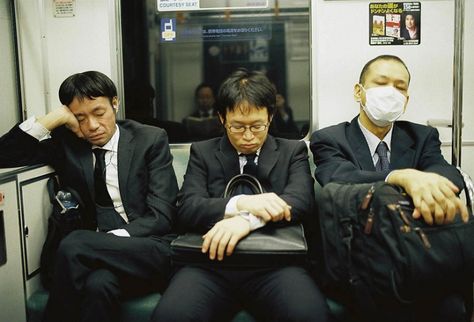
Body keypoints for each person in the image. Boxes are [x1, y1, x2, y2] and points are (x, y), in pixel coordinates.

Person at [152, 68, 329, 322]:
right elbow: (187, 208)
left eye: (257, 126)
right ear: (222, 118)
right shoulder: (203, 152)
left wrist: (245, 220)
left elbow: (301, 201)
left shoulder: (293, 151)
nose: (248, 136)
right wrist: (242, 202)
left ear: (270, 116)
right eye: (237, 127)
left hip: (276, 263)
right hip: (209, 264)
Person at [0, 71, 178, 322]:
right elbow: (4, 155)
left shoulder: (149, 139)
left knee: (75, 243)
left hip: (148, 247)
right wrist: (55, 118)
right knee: (98, 286)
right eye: (80, 117)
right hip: (93, 260)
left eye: (99, 113)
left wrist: (105, 241)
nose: (92, 126)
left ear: (114, 103)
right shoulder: (69, 144)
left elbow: (162, 215)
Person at [310, 55, 470, 322]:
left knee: (452, 307)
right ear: (358, 92)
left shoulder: (422, 137)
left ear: (406, 99)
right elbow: (337, 178)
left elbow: (445, 173)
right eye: (382, 83)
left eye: (400, 86)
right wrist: (401, 176)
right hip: (357, 259)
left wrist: (428, 186)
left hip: (414, 252)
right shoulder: (330, 139)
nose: (392, 92)